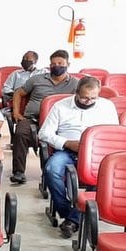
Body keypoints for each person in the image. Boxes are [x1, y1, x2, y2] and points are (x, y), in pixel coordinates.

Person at [38, 76, 119, 238]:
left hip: (95, 154)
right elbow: (44, 133)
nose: (88, 101)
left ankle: (73, 220)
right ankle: (69, 212)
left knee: (102, 177)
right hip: (67, 149)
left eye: (93, 98)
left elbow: (113, 132)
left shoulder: (107, 106)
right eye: (84, 97)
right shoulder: (60, 106)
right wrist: (67, 143)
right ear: (76, 92)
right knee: (51, 169)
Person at [10, 49, 78, 185]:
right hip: (33, 119)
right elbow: (18, 93)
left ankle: (51, 175)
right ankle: (18, 172)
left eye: (60, 63)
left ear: (68, 64)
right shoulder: (36, 79)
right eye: (53, 64)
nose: (56, 66)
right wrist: (16, 112)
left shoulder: (75, 83)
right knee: (20, 133)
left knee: (56, 141)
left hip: (59, 123)